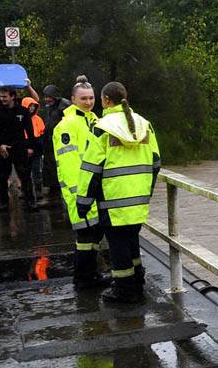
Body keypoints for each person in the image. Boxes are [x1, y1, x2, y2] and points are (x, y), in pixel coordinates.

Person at [76, 82, 160, 303]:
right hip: (139, 198)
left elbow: (91, 169)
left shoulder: (101, 127)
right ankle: (137, 282)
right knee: (132, 241)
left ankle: (124, 291)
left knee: (118, 247)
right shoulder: (144, 124)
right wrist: (146, 190)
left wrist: (83, 201)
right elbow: (156, 162)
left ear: (105, 100)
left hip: (113, 200)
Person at [55, 76, 110, 289]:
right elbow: (69, 164)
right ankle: (84, 279)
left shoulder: (95, 120)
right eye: (83, 98)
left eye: (91, 98)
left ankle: (89, 276)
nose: (88, 102)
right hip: (79, 193)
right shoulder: (67, 125)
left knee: (93, 237)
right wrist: (80, 194)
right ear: (73, 99)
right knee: (86, 237)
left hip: (92, 191)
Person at [0, 76, 41, 211]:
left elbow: (29, 130)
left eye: (5, 96)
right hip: (3, 149)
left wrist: (30, 147)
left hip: (20, 148)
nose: (2, 99)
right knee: (2, 177)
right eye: (1, 96)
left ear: (13, 97)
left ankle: (30, 202)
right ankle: (4, 203)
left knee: (25, 176)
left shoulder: (23, 111)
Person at [40, 84, 71, 196]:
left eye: (49, 96)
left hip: (61, 141)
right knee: (49, 165)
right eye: (45, 96)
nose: (47, 99)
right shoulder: (50, 106)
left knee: (58, 165)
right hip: (49, 141)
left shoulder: (65, 105)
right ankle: (53, 187)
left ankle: (59, 187)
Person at [21, 97, 46, 193]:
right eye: (30, 105)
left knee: (37, 170)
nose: (32, 108)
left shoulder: (38, 119)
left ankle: (38, 190)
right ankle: (25, 191)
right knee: (24, 171)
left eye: (33, 106)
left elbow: (42, 134)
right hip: (24, 147)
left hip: (36, 148)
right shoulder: (20, 119)